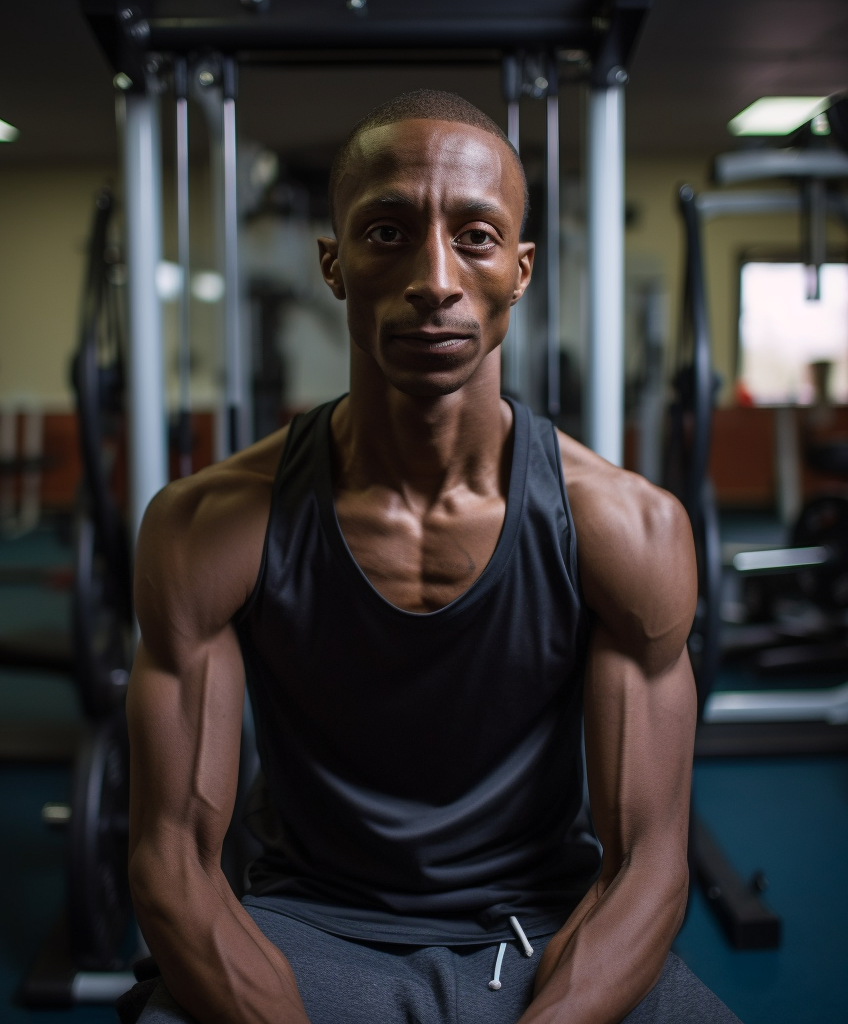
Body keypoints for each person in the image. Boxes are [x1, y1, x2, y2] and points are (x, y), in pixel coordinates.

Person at [127, 89, 740, 1024]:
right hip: (303, 929)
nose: (436, 277)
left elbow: (649, 866)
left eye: (478, 236)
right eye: (387, 232)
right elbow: (171, 856)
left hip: (544, 935)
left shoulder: (629, 530)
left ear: (520, 270)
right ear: (334, 264)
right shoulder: (208, 526)